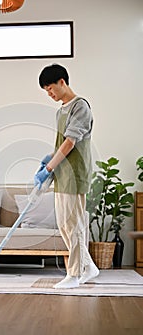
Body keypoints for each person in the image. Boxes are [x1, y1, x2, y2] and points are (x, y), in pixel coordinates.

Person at [34, 64, 99, 289]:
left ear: (62, 81)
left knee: (74, 224)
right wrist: (49, 161)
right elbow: (62, 144)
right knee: (64, 224)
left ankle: (74, 274)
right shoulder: (60, 110)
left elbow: (71, 142)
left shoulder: (80, 107)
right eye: (46, 91)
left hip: (75, 173)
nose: (49, 94)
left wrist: (49, 168)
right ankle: (88, 266)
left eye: (50, 88)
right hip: (62, 173)